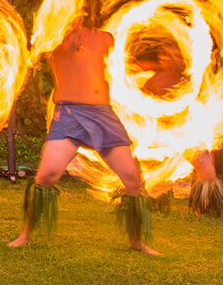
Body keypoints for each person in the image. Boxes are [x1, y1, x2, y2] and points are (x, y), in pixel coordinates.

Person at [8, 18, 160, 255]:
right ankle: (25, 235)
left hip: (102, 114)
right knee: (46, 176)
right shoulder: (57, 37)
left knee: (132, 179)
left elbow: (128, 62)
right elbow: (41, 47)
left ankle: (137, 241)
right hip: (69, 114)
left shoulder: (104, 38)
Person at [140, 45, 223, 217]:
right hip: (161, 134)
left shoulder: (187, 80)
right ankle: (152, 203)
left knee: (207, 170)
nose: (166, 59)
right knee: (153, 173)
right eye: (164, 55)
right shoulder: (155, 80)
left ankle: (207, 206)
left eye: (171, 56)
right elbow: (142, 106)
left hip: (187, 132)